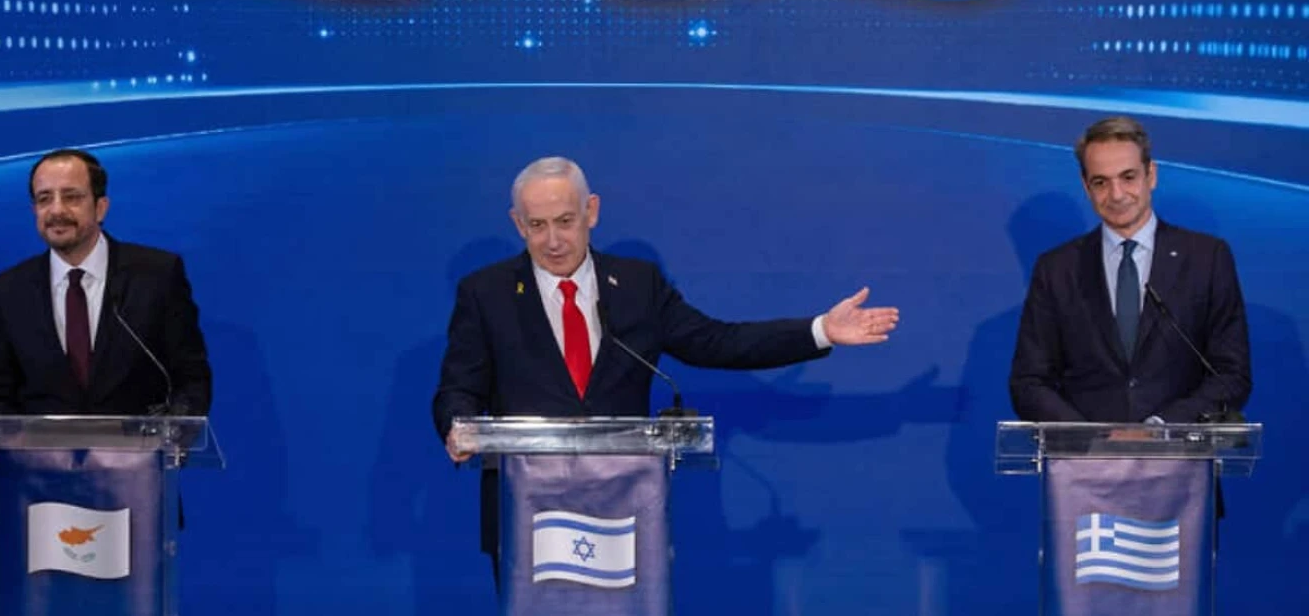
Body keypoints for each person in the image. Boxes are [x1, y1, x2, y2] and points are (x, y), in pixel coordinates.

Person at [431, 156, 899, 573]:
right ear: (518, 224)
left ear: (591, 211)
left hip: (624, 504)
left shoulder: (637, 285)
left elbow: (718, 342)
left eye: (565, 221)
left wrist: (819, 329)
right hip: (527, 506)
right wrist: (457, 427)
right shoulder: (486, 293)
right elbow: (459, 386)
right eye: (537, 225)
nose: (553, 240)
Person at [1009, 117, 1251, 423]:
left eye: (1128, 177)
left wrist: (1160, 427)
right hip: (1084, 462)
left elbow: (1231, 374)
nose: (1117, 194)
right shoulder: (1057, 269)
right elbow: (1029, 383)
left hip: (1179, 456)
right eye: (1101, 182)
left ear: (1151, 175)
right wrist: (1088, 438)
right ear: (1086, 187)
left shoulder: (1207, 258)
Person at [0, 149, 212, 416]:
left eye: (72, 197)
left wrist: (158, 442)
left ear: (100, 208)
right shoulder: (10, 290)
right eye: (44, 199)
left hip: (138, 456)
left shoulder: (157, 276)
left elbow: (191, 382)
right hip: (42, 458)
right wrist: (35, 452)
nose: (57, 210)